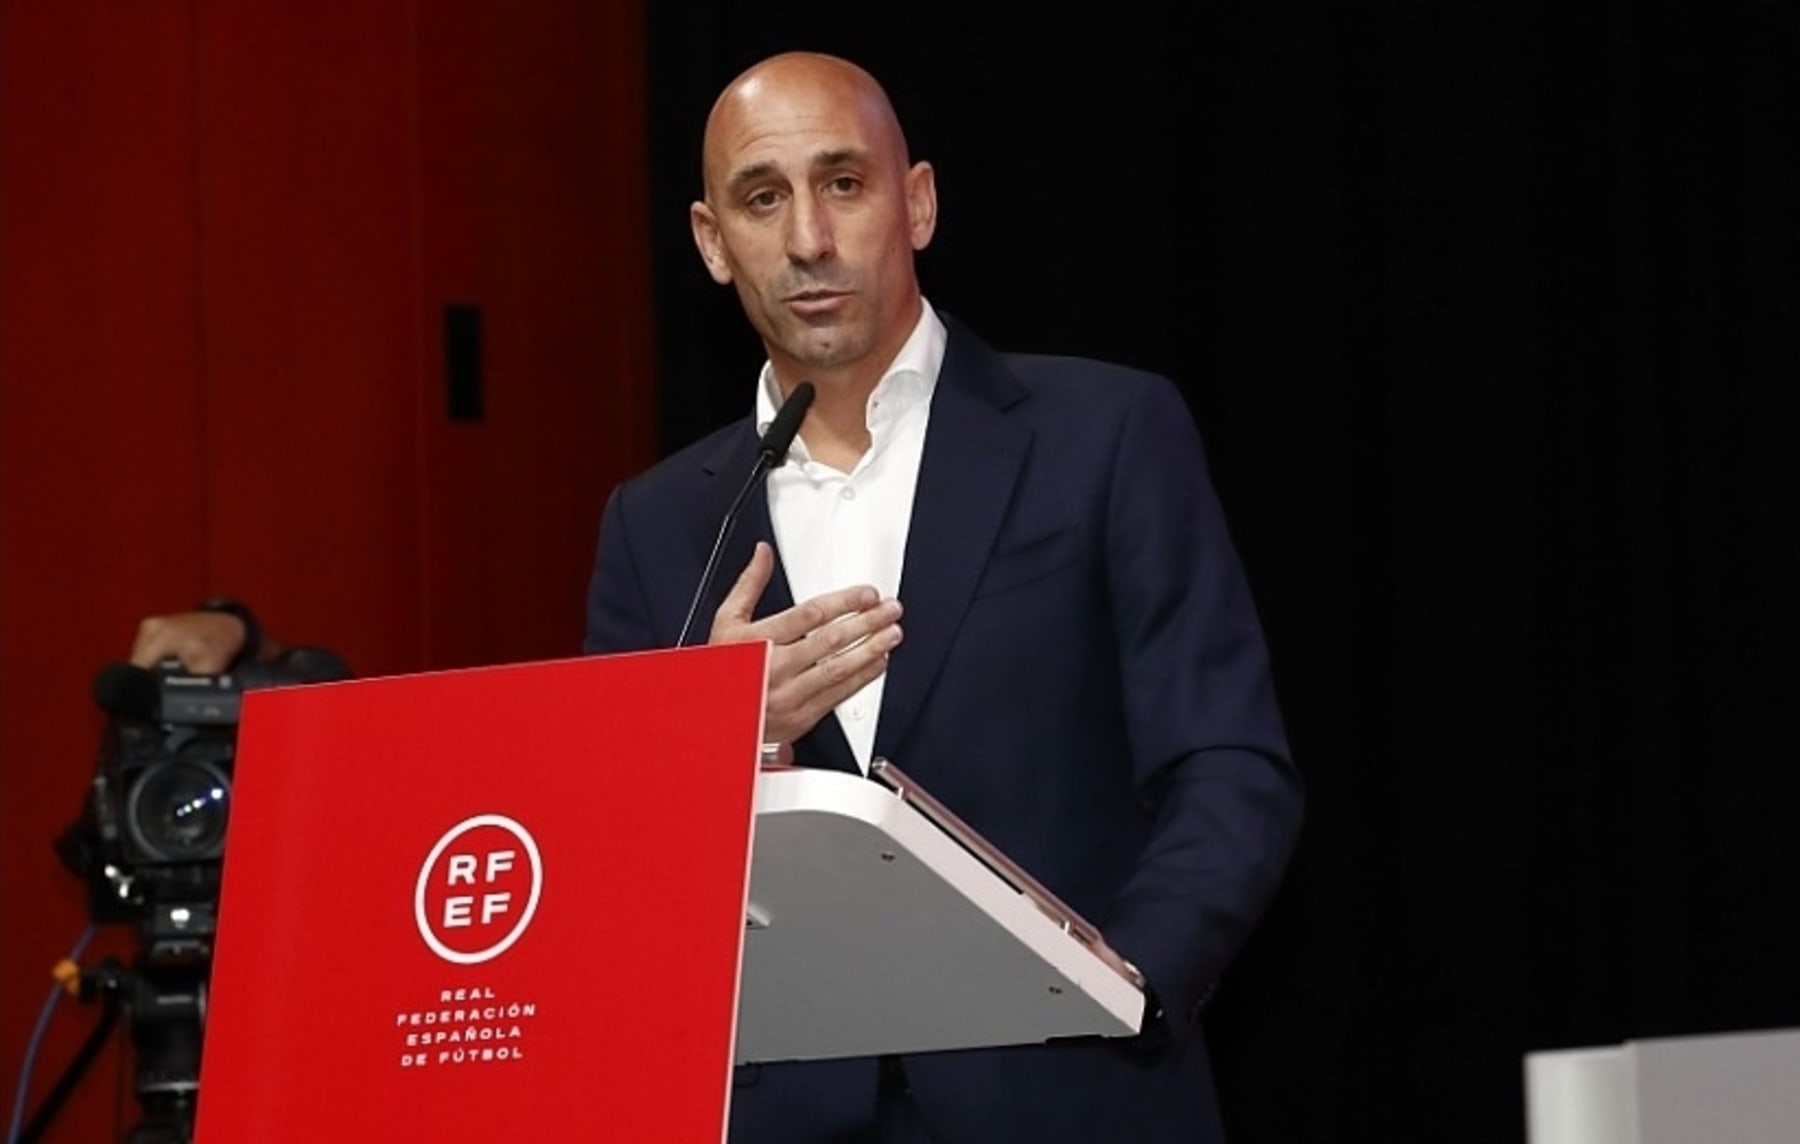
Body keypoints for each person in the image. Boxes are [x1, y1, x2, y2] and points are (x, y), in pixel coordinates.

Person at [582, 50, 1302, 1144]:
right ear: (711, 243)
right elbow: (607, 858)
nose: (809, 241)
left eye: (843, 184)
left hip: (1071, 1100)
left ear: (914, 203)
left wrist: (1121, 985)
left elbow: (1230, 767)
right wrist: (713, 731)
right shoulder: (660, 522)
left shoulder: (1103, 435)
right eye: (762, 199)